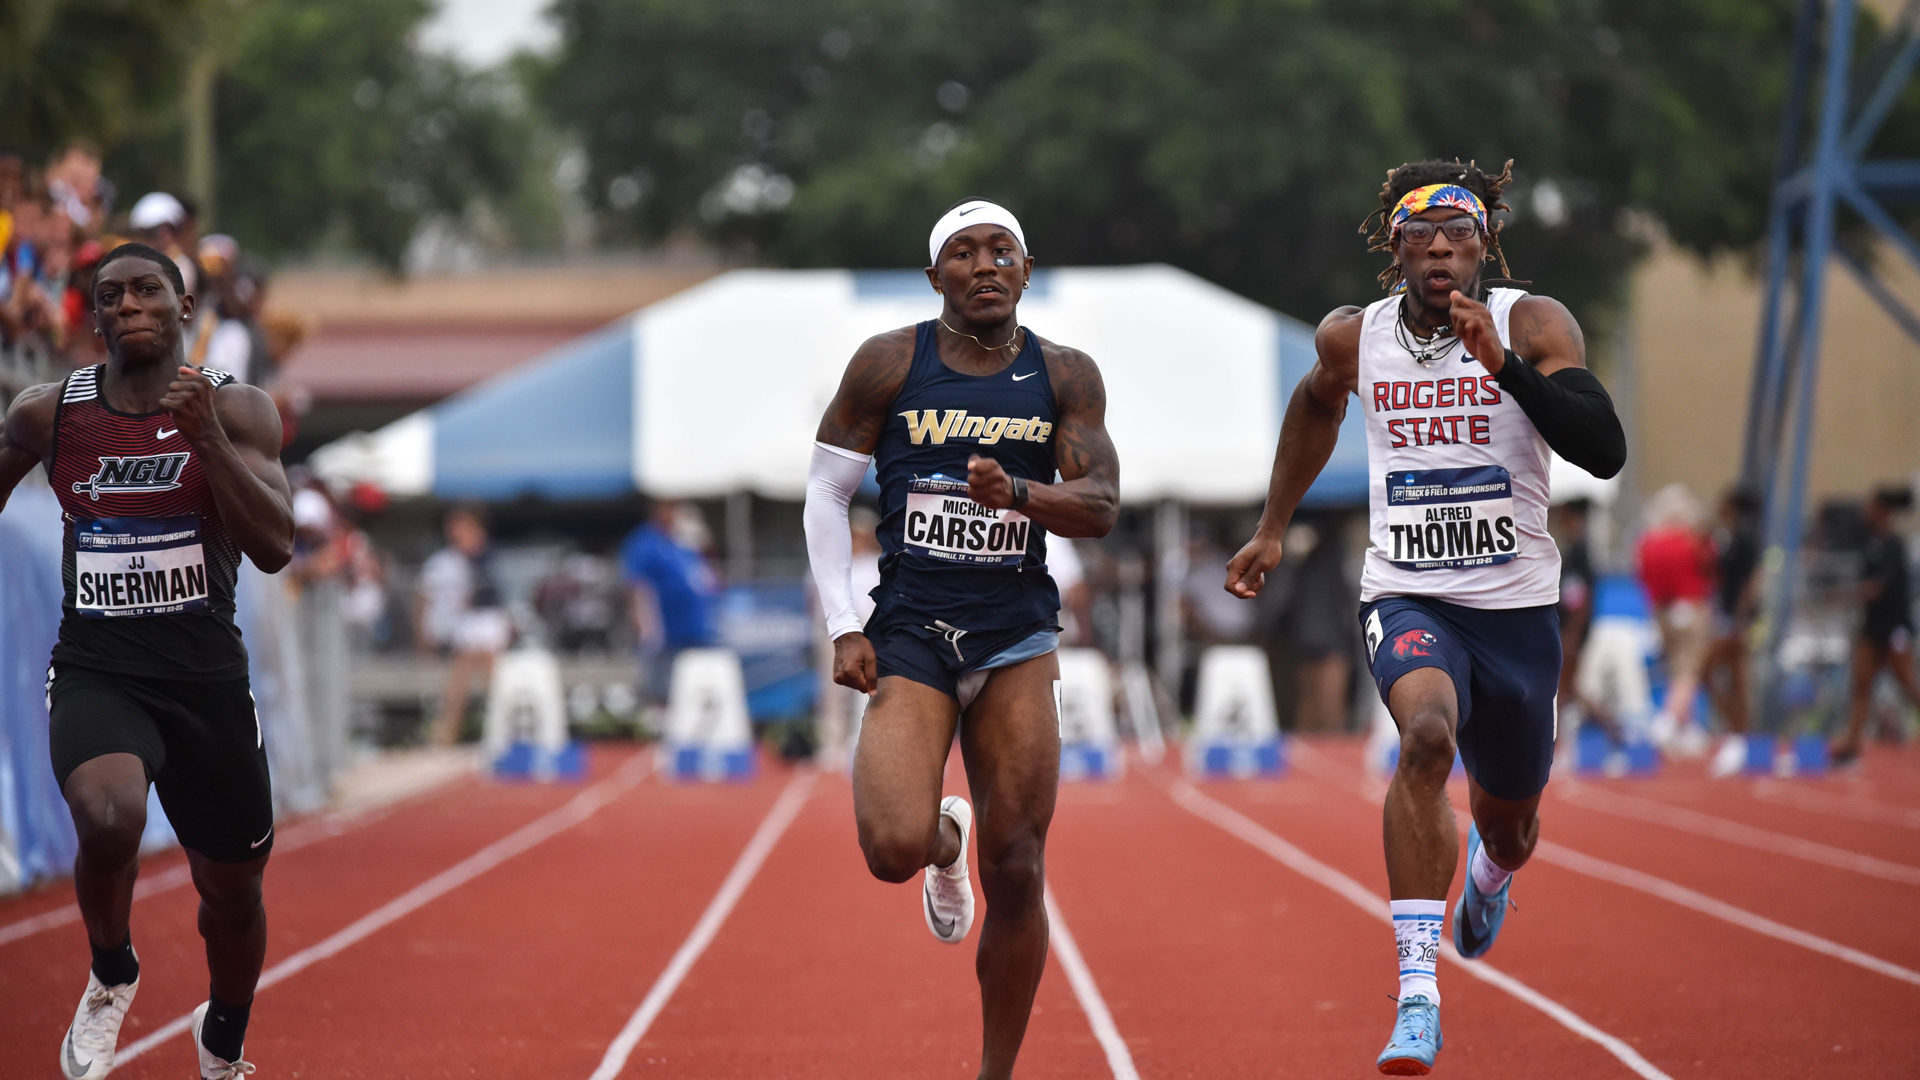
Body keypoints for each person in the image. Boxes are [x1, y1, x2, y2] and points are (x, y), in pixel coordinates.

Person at [1224, 160, 1624, 1075]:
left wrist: (1507, 368)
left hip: (1517, 607)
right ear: (1395, 248)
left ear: (1485, 246)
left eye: (1460, 238)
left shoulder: (1533, 322)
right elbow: (1314, 410)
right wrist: (1273, 529)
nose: (1440, 251)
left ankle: (1489, 871)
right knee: (1426, 737)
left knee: (1513, 824)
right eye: (1422, 238)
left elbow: (1602, 452)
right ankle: (1418, 994)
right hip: (1408, 591)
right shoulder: (1351, 339)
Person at [804, 198, 1119, 1080]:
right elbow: (827, 494)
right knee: (890, 850)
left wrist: (1016, 494)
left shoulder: (1065, 375)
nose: (986, 267)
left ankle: (993, 1073)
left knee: (1018, 867)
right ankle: (946, 841)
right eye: (966, 254)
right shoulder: (889, 363)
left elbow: (1100, 507)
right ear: (935, 274)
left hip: (1016, 635)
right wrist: (843, 624)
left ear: (1026, 270)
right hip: (910, 630)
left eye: (1003, 252)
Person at [0, 242, 294, 1079]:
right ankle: (112, 970)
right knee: (106, 816)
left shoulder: (239, 413)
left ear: (183, 308)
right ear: (95, 319)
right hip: (100, 667)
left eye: (146, 290)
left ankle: (225, 1037)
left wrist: (207, 441)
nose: (127, 304)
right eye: (110, 295)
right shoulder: (49, 414)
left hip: (205, 679)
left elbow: (273, 546)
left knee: (232, 892)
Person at [1831, 485, 1920, 765]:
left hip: (1894, 627)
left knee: (1907, 684)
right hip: (1871, 626)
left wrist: (1845, 595)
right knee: (1861, 684)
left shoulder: (1894, 545)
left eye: (1869, 506)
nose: (1863, 511)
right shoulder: (1870, 544)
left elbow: (1879, 587)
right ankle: (1852, 742)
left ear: (1881, 510)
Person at [415, 505, 512, 745]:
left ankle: (501, 731)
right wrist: (422, 634)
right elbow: (423, 599)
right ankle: (448, 731)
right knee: (462, 671)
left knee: (487, 669)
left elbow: (493, 599)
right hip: (454, 635)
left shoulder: (487, 558)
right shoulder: (443, 562)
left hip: (482, 631)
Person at [1637, 484, 1714, 757]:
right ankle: (1667, 723)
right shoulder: (1690, 541)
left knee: (1676, 666)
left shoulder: (1648, 542)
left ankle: (1686, 727)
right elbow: (1709, 568)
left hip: (1661, 609)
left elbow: (1642, 575)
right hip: (1691, 606)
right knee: (1688, 670)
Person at [620, 499, 721, 706]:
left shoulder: (680, 542)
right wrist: (639, 621)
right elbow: (634, 585)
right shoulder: (644, 542)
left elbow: (708, 578)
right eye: (672, 509)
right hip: (663, 630)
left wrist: (704, 545)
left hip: (693, 629)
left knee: (695, 684)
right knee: (662, 685)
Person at [1703, 485, 1762, 775]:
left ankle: (1738, 736)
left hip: (1736, 619)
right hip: (1725, 615)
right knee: (1729, 677)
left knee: (1722, 674)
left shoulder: (1746, 541)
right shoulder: (1727, 539)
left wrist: (1741, 616)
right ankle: (1739, 735)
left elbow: (1752, 581)